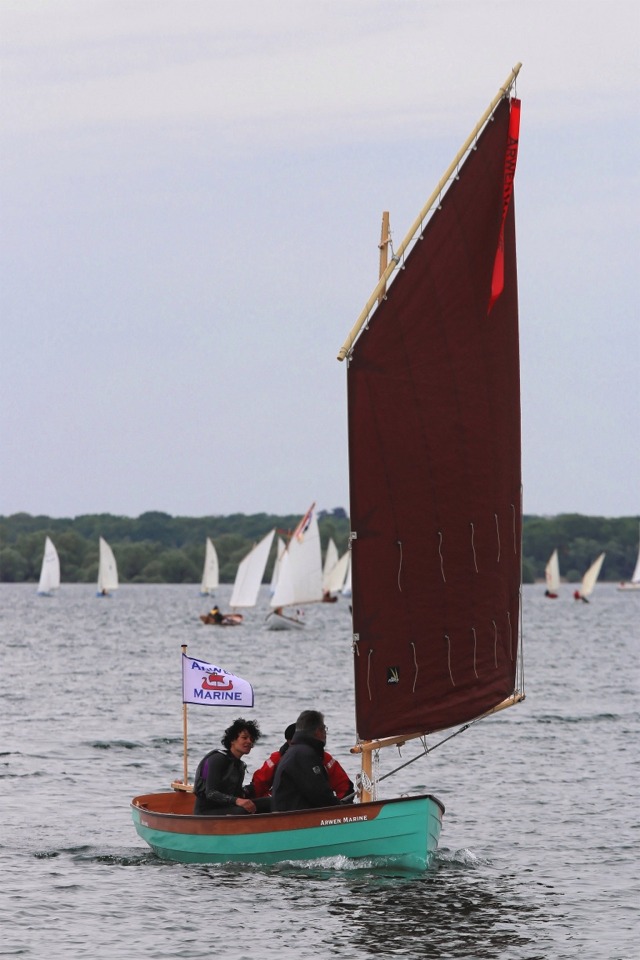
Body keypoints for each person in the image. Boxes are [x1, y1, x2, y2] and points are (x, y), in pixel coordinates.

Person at [249, 722, 354, 801]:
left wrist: (340, 809)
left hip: (316, 808)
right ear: (288, 742)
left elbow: (344, 786)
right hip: (283, 808)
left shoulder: (325, 759)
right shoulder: (277, 759)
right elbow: (259, 784)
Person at [193, 717, 271, 815]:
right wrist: (237, 801)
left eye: (251, 739)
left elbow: (237, 793)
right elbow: (210, 793)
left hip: (227, 808)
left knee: (270, 802)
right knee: (243, 810)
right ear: (232, 740)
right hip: (206, 812)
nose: (249, 741)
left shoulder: (240, 766)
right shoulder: (217, 759)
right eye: (244, 737)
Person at [271, 710, 345, 812]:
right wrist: (342, 808)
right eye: (324, 729)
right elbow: (320, 794)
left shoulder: (293, 752)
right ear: (318, 731)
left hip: (288, 814)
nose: (325, 733)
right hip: (298, 820)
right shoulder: (305, 755)